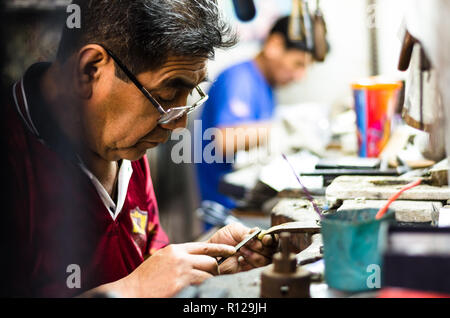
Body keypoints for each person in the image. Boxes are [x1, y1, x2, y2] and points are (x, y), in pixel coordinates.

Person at [1, 0, 276, 298]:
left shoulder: (124, 148)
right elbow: (139, 284)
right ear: (89, 70)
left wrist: (205, 262)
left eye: (188, 98)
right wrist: (134, 289)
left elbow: (145, 262)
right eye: (167, 95)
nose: (178, 125)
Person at [196, 16, 314, 210]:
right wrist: (284, 127)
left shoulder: (265, 84)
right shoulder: (239, 79)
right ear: (274, 45)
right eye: (298, 64)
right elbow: (225, 140)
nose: (300, 77)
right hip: (228, 208)